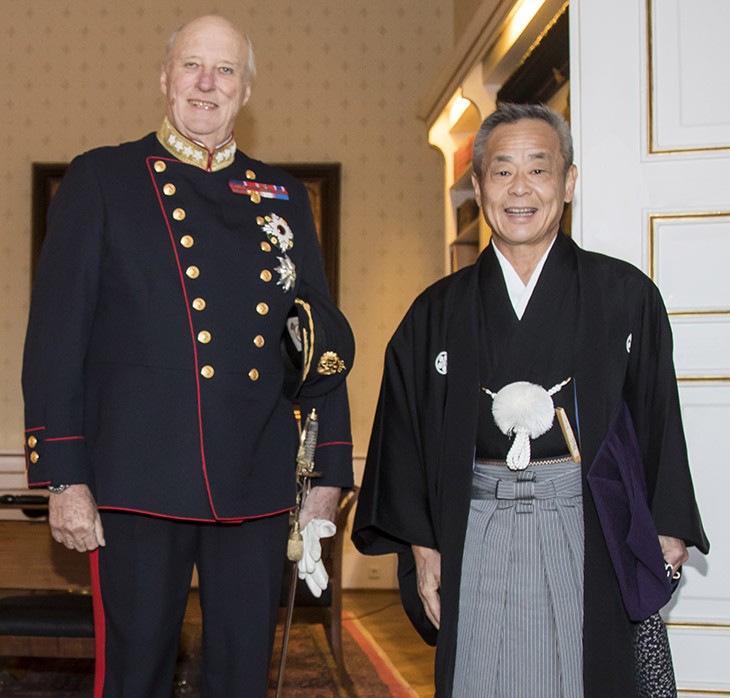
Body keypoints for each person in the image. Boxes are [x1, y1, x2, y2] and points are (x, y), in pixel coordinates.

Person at [22, 15, 354, 697]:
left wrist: (327, 472)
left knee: (241, 678)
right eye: (192, 66)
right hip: (137, 480)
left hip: (256, 478)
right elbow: (55, 338)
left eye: (225, 70)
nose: (207, 83)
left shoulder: (284, 196)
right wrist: (64, 478)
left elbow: (316, 344)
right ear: (165, 78)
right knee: (135, 675)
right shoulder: (103, 178)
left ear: (246, 90)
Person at [352, 103, 709, 697]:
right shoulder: (436, 311)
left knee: (586, 674)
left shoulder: (625, 295)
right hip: (476, 523)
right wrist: (423, 544)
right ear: (478, 187)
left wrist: (665, 528)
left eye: (539, 170)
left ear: (568, 182)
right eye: (502, 171)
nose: (520, 188)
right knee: (479, 675)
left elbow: (658, 419)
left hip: (590, 523)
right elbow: (404, 435)